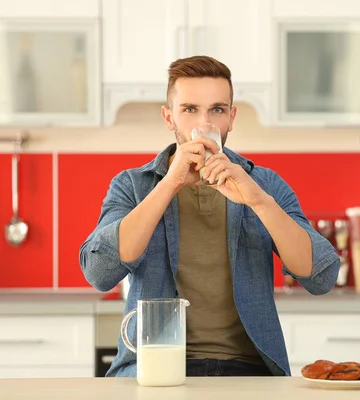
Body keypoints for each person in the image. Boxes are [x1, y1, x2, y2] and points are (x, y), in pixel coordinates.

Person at [79, 55, 340, 377]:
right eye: (189, 109)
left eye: (217, 110)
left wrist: (258, 200)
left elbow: (321, 277)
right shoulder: (133, 185)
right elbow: (99, 272)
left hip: (249, 369)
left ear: (231, 118)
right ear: (168, 117)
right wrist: (170, 183)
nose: (204, 123)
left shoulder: (265, 184)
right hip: (154, 366)